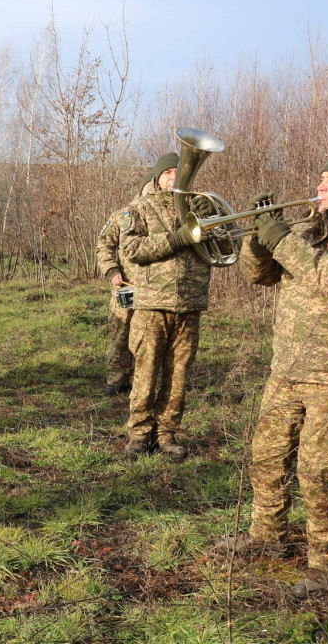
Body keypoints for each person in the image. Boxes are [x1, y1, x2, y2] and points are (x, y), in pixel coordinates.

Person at [214, 155, 328, 599]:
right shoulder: (309, 232)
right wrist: (260, 236)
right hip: (288, 371)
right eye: (319, 178)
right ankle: (267, 537)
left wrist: (282, 238)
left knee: (320, 474)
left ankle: (325, 568)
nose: (319, 186)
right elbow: (259, 275)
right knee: (267, 458)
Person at [118, 151, 213, 462]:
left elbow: (225, 250)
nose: (175, 177)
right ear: (158, 178)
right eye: (169, 172)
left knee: (178, 375)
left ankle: (166, 433)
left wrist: (207, 222)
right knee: (145, 374)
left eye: (179, 171)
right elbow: (130, 249)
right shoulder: (141, 207)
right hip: (151, 305)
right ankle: (139, 434)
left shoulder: (202, 206)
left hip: (189, 305)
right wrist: (177, 239)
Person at [95, 171, 155, 396]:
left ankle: (139, 380)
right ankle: (116, 378)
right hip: (125, 286)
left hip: (154, 289)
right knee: (121, 331)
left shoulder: (164, 218)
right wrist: (111, 270)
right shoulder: (122, 216)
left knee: (147, 335)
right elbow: (104, 245)